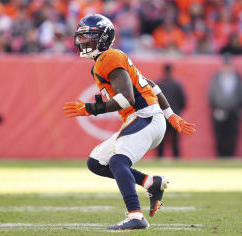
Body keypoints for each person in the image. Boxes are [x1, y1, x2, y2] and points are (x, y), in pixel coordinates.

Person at [63, 14, 196, 231]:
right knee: (96, 162)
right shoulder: (103, 61)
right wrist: (170, 115)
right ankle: (149, 182)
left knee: (117, 161)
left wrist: (90, 109)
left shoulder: (109, 58)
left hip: (145, 116)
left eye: (89, 36)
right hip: (146, 117)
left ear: (104, 38)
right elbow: (151, 85)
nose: (83, 41)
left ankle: (136, 215)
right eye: (82, 36)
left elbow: (127, 99)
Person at [209, 54, 242, 157]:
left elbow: (241, 94)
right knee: (220, 135)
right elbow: (212, 94)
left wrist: (240, 108)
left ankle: (230, 155)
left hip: (233, 111)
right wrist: (215, 108)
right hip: (219, 111)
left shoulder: (237, 79)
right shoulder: (216, 78)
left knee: (232, 135)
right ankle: (220, 156)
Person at [156, 64, 187, 159]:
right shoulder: (177, 85)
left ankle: (160, 158)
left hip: (161, 116)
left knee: (161, 140)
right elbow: (183, 102)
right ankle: (176, 158)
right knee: (175, 140)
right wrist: (176, 111)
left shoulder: (158, 85)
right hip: (174, 116)